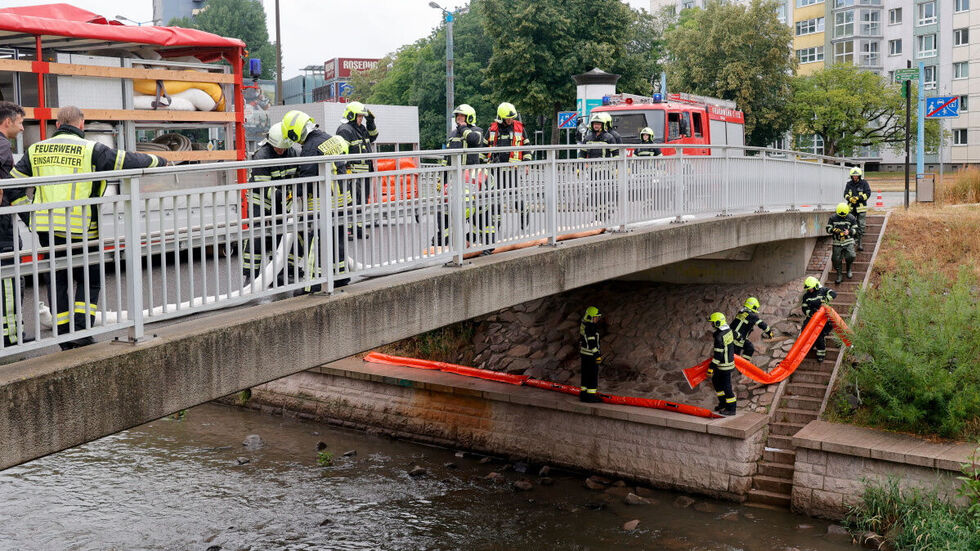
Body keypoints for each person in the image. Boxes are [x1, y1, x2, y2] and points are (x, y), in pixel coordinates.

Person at [12, 106, 163, 350]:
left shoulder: (36, 149)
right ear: (81, 124)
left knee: (58, 279)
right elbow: (127, 161)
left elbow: (12, 186)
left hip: (46, 228)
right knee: (89, 279)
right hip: (80, 228)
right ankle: (82, 331)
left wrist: (29, 217)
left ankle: (64, 336)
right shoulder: (90, 149)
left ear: (58, 125)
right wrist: (160, 160)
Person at [280, 109, 351, 289]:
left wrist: (294, 192)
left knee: (316, 243)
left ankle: (314, 284)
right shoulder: (328, 138)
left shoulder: (311, 147)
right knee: (337, 240)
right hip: (340, 199)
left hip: (322, 202)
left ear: (295, 132)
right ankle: (340, 277)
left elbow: (308, 177)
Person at [241, 122, 298, 285]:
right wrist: (285, 196)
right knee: (256, 237)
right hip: (261, 200)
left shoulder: (292, 152)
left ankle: (278, 273)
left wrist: (291, 196)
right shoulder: (262, 156)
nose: (281, 151)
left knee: (281, 235)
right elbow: (265, 188)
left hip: (282, 200)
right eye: (278, 148)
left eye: (284, 148)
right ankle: (251, 276)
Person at [435, 104, 496, 250]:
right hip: (454, 178)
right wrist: (441, 178)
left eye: (462, 116)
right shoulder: (452, 134)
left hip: (473, 178)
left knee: (479, 211)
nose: (459, 118)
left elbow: (474, 140)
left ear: (469, 117)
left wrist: (463, 128)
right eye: (457, 116)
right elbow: (447, 157)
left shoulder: (477, 131)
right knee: (445, 209)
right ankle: (443, 240)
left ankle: (488, 244)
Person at [0, 101, 30, 347]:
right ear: (7, 121)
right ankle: (11, 337)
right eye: (20, 123)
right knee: (10, 278)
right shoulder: (1, 144)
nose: (22, 128)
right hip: (2, 225)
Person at [335, 101, 378, 240]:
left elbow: (373, 136)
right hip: (352, 174)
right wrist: (346, 172)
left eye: (362, 116)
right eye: (359, 116)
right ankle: (347, 230)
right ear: (351, 116)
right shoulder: (345, 130)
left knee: (361, 202)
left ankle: (358, 227)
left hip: (365, 173)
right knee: (351, 202)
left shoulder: (362, 128)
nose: (361, 119)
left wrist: (370, 121)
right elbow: (342, 153)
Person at [484, 102, 530, 231]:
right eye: (507, 118)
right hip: (495, 170)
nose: (510, 120)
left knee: (515, 198)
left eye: (511, 118)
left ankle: (524, 214)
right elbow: (483, 147)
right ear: (501, 117)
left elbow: (527, 147)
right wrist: (481, 165)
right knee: (494, 199)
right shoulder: (492, 129)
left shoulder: (519, 128)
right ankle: (496, 224)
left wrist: (527, 163)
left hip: (511, 170)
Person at [801, 276, 837, 362]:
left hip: (824, 319)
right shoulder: (806, 296)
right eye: (808, 289)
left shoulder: (823, 291)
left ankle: (821, 353)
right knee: (804, 331)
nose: (809, 290)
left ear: (816, 286)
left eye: (811, 288)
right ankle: (809, 346)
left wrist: (825, 300)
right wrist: (810, 313)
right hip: (812, 318)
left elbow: (833, 294)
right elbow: (804, 308)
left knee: (819, 334)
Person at [708, 312, 737, 416]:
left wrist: (711, 368)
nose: (712, 324)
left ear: (717, 323)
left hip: (724, 365)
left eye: (713, 322)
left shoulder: (719, 336)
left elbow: (718, 356)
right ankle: (723, 403)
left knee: (726, 387)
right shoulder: (729, 331)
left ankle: (731, 408)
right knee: (716, 382)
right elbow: (737, 335)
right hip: (726, 364)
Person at [731, 297, 773, 363]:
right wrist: (769, 332)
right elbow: (761, 324)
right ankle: (742, 365)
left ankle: (744, 364)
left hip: (734, 336)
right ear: (753, 307)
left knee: (749, 348)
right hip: (738, 339)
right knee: (734, 357)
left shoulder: (741, 313)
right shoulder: (751, 315)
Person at [827, 202, 858, 284]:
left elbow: (856, 229)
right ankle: (839, 275)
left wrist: (849, 231)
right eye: (840, 215)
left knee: (851, 255)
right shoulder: (833, 218)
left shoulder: (851, 217)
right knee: (835, 259)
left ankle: (849, 268)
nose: (842, 217)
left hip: (848, 241)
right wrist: (834, 230)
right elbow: (828, 228)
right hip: (837, 242)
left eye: (844, 215)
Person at [579, 306, 603, 403]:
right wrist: (597, 355)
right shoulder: (591, 327)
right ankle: (590, 396)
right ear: (590, 317)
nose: (597, 319)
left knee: (585, 375)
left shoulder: (584, 325)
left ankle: (583, 394)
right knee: (592, 375)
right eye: (596, 317)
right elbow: (592, 342)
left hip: (584, 354)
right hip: (591, 355)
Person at [843, 167, 871, 251]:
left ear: (859, 176)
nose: (855, 177)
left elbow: (868, 193)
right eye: (853, 176)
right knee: (851, 224)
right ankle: (852, 240)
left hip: (861, 208)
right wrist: (850, 199)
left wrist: (858, 198)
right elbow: (845, 194)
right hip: (851, 208)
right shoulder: (849, 184)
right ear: (851, 176)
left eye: (856, 176)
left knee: (861, 225)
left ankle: (860, 242)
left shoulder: (864, 183)